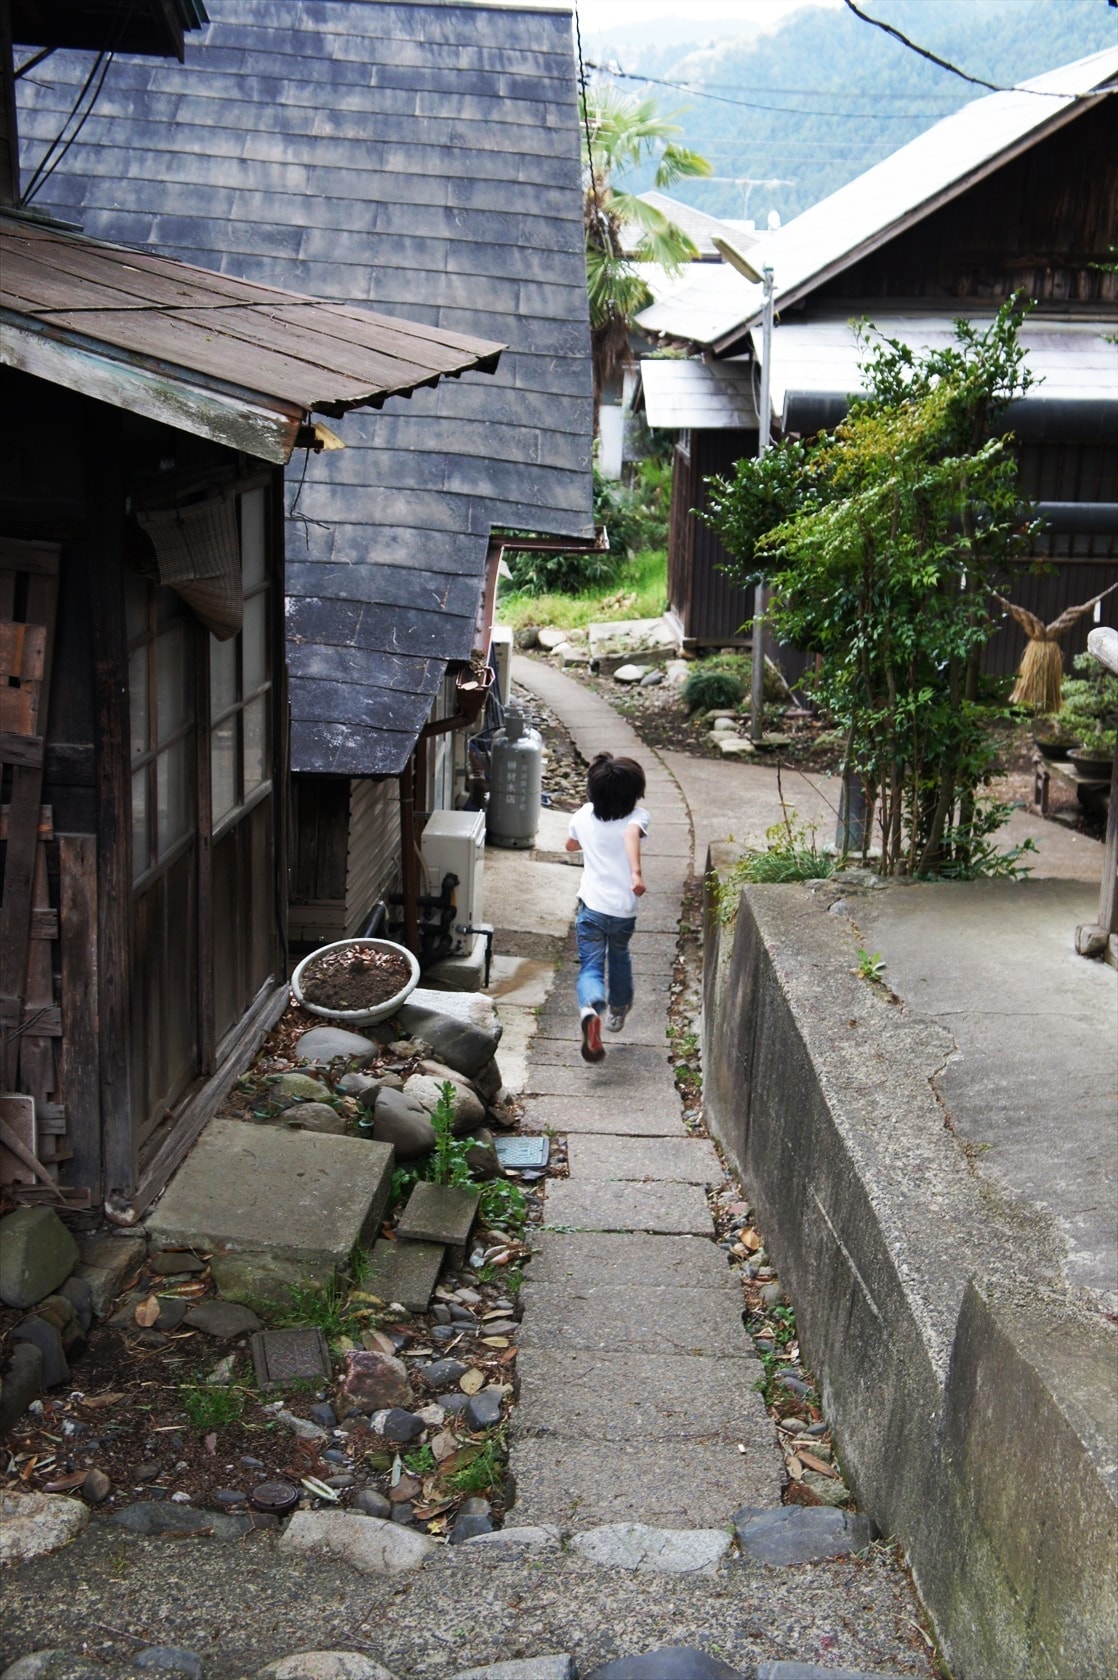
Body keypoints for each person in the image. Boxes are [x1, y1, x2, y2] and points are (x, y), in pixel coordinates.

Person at [564, 752, 649, 1064]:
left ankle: (590, 1006)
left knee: (590, 966)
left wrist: (587, 842)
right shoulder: (638, 817)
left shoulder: (583, 815)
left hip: (592, 910)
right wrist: (635, 873)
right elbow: (629, 835)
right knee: (619, 955)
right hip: (623, 911)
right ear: (635, 792)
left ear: (592, 791)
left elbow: (570, 845)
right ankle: (617, 1009)